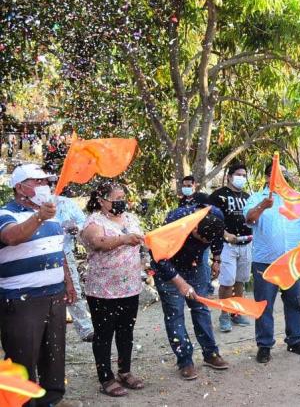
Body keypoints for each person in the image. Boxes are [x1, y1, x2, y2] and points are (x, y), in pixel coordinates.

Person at [0, 164, 81, 407]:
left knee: (53, 353)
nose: (44, 185)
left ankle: (52, 398)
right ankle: (21, 402)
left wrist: (67, 282)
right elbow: (11, 237)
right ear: (19, 187)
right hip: (21, 298)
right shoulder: (6, 213)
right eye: (37, 181)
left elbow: (58, 249)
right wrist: (38, 217)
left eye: (46, 181)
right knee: (22, 355)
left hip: (54, 295)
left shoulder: (51, 215)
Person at [151, 197, 229, 380]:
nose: (204, 243)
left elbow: (217, 238)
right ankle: (185, 360)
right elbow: (158, 256)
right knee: (175, 314)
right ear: (194, 228)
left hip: (196, 265)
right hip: (168, 267)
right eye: (201, 239)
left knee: (201, 307)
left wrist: (216, 260)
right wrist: (179, 282)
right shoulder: (175, 221)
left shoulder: (215, 215)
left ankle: (211, 353)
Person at [244, 162, 300, 363]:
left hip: (292, 264)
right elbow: (249, 219)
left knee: (294, 302)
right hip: (265, 264)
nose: (281, 178)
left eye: (284, 174)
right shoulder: (256, 198)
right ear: (268, 177)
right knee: (264, 305)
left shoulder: (298, 200)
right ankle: (264, 345)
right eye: (277, 174)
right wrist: (263, 206)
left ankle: (295, 340)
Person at [79, 182, 145, 396]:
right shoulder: (94, 221)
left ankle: (124, 371)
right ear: (101, 200)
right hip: (103, 290)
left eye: (123, 197)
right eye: (116, 198)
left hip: (130, 287)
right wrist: (125, 239)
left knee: (126, 332)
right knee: (104, 334)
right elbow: (98, 242)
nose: (121, 201)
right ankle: (105, 377)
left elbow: (142, 240)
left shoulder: (130, 218)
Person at [209, 163, 253, 332]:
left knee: (240, 281)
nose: (242, 178)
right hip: (227, 246)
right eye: (239, 174)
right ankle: (224, 315)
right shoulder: (217, 196)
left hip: (246, 244)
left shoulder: (248, 197)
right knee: (227, 282)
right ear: (229, 176)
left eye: (244, 175)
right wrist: (225, 234)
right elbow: (211, 220)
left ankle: (236, 312)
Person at [53, 183, 95, 342]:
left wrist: (74, 227)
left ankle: (85, 329)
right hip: (40, 255)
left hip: (66, 252)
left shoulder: (66, 203)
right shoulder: (31, 206)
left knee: (73, 289)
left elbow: (83, 223)